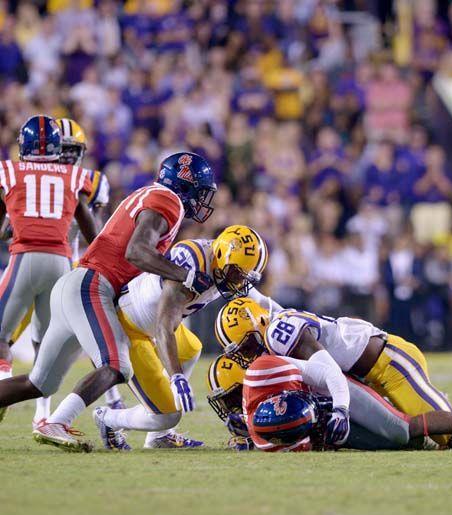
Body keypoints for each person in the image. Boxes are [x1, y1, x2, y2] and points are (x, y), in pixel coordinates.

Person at [0, 151, 216, 452]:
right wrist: (185, 275)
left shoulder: (149, 194)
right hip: (92, 287)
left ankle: (57, 421)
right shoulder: (168, 200)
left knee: (39, 383)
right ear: (187, 184)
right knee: (117, 365)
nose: (203, 201)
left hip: (77, 284)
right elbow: (136, 252)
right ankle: (56, 424)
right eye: (202, 192)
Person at [206, 298, 452, 452]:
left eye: (244, 345)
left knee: (445, 436)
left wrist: (339, 410)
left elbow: (326, 372)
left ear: (257, 328)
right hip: (369, 373)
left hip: (387, 364)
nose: (246, 355)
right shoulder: (273, 326)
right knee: (434, 433)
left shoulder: (280, 333)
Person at [94, 225, 280, 450]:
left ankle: (160, 437)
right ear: (221, 256)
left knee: (191, 348)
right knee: (167, 415)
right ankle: (108, 418)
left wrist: (290, 316)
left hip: (154, 324)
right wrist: (177, 378)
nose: (239, 282)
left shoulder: (223, 265)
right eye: (236, 274)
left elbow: (261, 301)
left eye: (244, 276)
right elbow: (164, 328)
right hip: (132, 327)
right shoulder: (191, 263)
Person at [7, 117, 124, 429]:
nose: (70, 158)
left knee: (35, 341)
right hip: (58, 265)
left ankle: (33, 404)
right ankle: (41, 410)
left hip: (56, 264)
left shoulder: (85, 180)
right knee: (38, 341)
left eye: (75, 152)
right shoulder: (65, 178)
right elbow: (93, 230)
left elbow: (96, 229)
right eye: (66, 151)